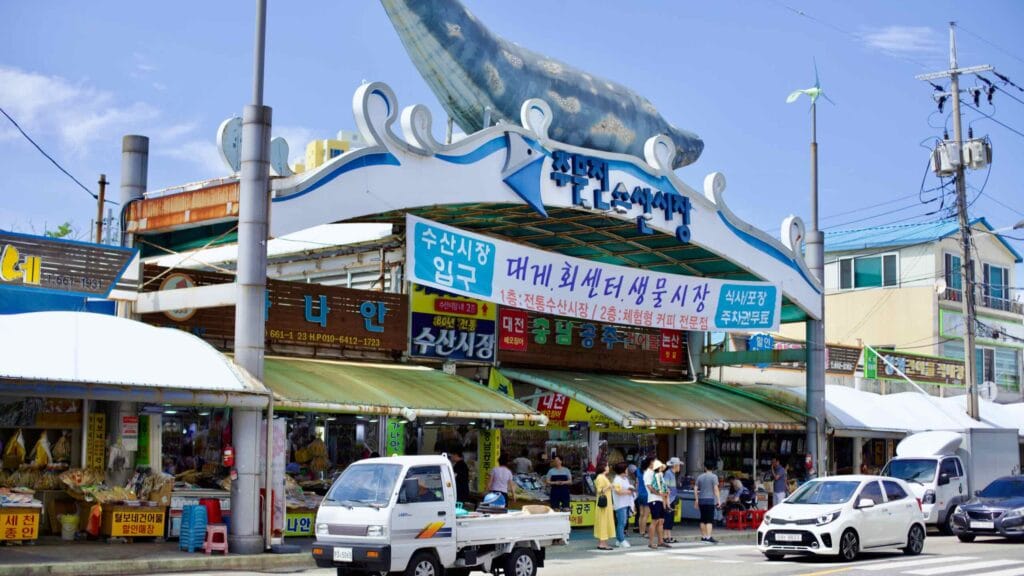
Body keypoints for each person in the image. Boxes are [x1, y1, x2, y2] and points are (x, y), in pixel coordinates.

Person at [644, 458, 669, 549]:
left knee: (661, 521)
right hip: (653, 499)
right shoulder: (648, 473)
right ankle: (651, 542)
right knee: (655, 520)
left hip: (660, 499)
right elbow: (649, 487)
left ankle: (660, 541)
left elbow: (664, 467)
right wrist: (659, 493)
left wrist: (663, 494)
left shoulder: (657, 473)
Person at [694, 458, 721, 544]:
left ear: (705, 467)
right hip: (710, 500)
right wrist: (719, 500)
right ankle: (708, 537)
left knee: (703, 519)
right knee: (709, 520)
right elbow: (716, 489)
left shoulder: (700, 477)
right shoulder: (714, 477)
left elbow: (695, 488)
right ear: (713, 468)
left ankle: (704, 536)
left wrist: (696, 499)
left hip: (701, 500)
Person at [611, 461, 635, 548]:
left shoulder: (625, 479)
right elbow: (618, 491)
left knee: (623, 522)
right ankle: (621, 539)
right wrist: (629, 491)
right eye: (626, 469)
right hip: (620, 504)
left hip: (626, 503)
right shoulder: (617, 480)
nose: (627, 471)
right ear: (623, 470)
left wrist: (631, 489)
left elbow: (626, 488)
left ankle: (619, 540)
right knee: (622, 522)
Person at [593, 460, 615, 550]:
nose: (608, 467)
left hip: (606, 504)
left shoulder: (602, 477)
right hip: (604, 504)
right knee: (603, 522)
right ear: (603, 467)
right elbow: (600, 490)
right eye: (607, 466)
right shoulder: (601, 477)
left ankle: (602, 543)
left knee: (603, 522)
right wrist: (609, 486)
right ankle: (602, 543)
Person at [662, 457, 682, 544]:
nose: (679, 467)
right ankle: (665, 536)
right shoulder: (668, 473)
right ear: (675, 466)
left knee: (670, 519)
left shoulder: (671, 473)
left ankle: (668, 536)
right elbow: (665, 488)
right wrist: (667, 502)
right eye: (679, 465)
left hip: (671, 499)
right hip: (669, 500)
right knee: (668, 518)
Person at [633, 457, 651, 537]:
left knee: (641, 514)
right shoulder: (648, 472)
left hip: (639, 494)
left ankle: (641, 530)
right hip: (647, 494)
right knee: (646, 515)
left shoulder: (638, 471)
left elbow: (636, 481)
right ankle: (643, 532)